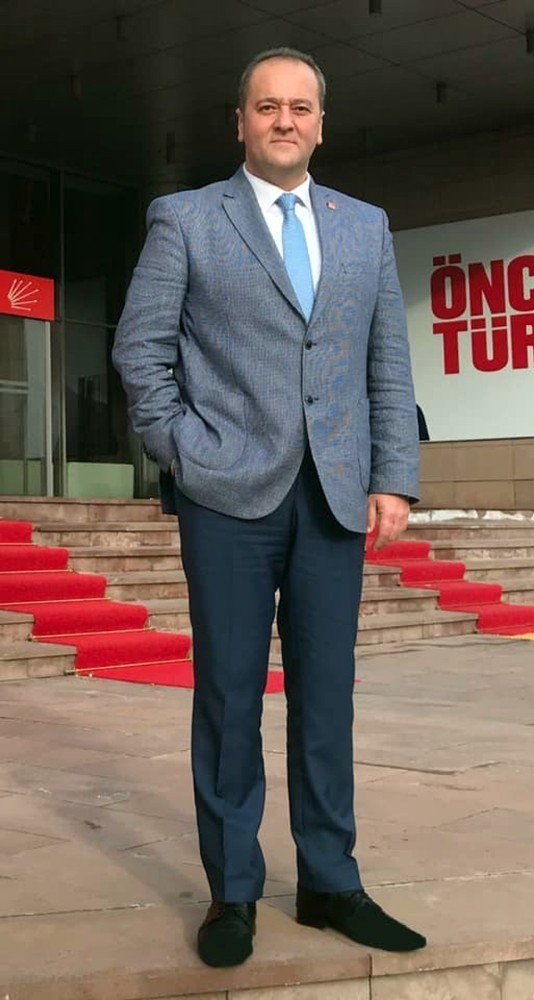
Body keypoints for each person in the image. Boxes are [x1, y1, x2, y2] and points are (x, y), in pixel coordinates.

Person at [113, 47, 426, 968]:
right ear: (240, 122)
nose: (284, 120)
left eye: (299, 107)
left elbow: (387, 361)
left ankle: (330, 882)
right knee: (229, 696)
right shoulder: (185, 218)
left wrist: (393, 475)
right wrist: (186, 450)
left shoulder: (365, 226)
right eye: (266, 106)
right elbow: (141, 351)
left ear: (321, 124)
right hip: (226, 496)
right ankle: (234, 893)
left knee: (327, 700)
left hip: (334, 496)